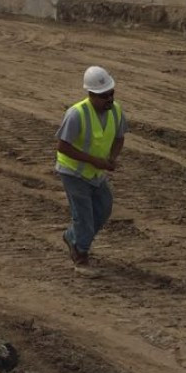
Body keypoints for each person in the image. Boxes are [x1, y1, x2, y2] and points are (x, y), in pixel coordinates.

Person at [55, 66, 127, 268]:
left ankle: (72, 236)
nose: (109, 99)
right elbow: (62, 146)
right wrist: (94, 161)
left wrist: (112, 157)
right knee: (84, 216)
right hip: (72, 171)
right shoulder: (76, 114)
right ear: (91, 94)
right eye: (104, 96)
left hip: (96, 172)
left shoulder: (116, 111)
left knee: (103, 208)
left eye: (111, 93)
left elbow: (119, 137)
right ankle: (80, 254)